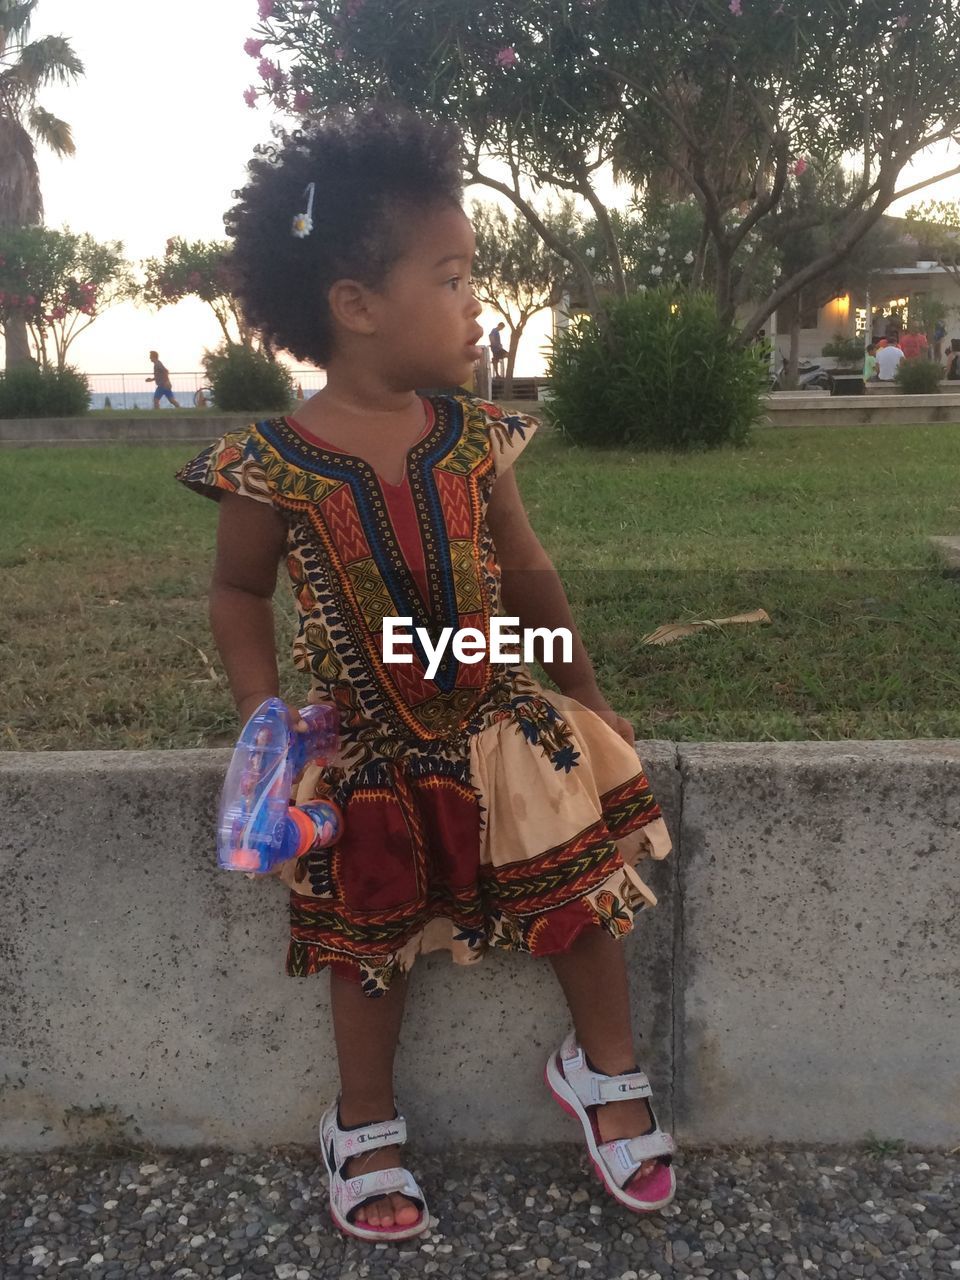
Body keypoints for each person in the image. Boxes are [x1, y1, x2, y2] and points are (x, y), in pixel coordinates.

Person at [176, 109, 675, 1242]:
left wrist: (586, 692)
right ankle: (363, 1121)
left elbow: (530, 571)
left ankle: (606, 1068)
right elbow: (236, 593)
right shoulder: (274, 462)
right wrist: (265, 719)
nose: (475, 305)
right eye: (451, 279)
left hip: (500, 714)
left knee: (581, 889)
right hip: (368, 741)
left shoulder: (472, 437)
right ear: (356, 306)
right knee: (369, 933)